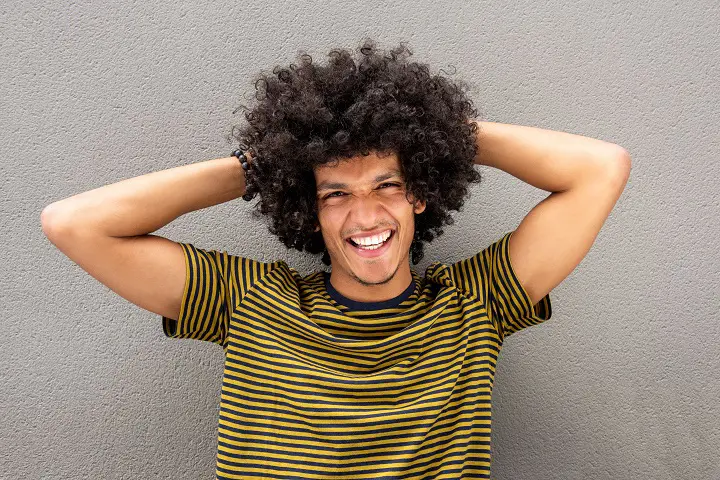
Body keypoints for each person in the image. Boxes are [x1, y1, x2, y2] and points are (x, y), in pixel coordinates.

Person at [41, 39, 630, 480]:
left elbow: (600, 168)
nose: (365, 215)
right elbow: (73, 224)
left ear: (421, 193)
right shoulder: (250, 301)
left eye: (388, 186)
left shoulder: (474, 303)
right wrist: (261, 165)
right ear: (309, 211)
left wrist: (439, 132)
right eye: (336, 194)